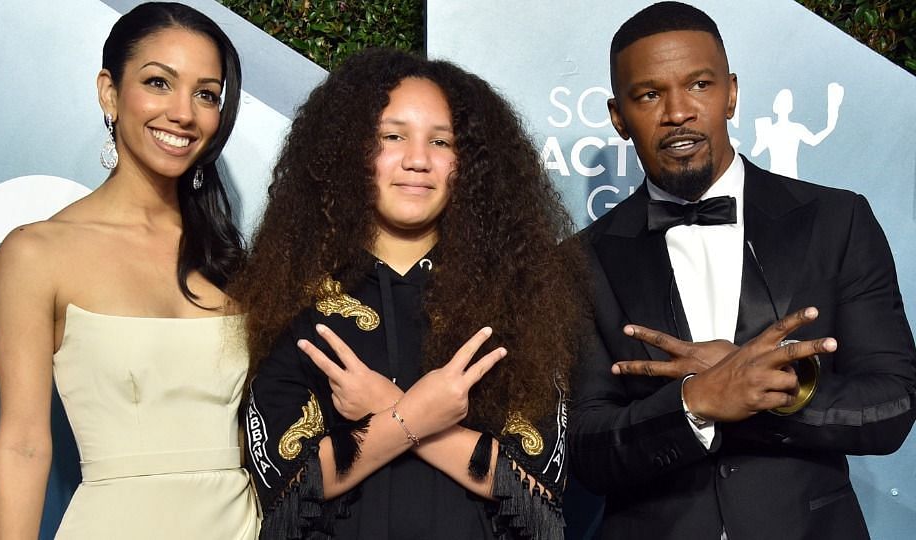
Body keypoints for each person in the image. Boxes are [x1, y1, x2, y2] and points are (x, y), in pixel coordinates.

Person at [567, 3, 916, 540]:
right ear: (618, 116)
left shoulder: (836, 220)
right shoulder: (578, 261)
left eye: (700, 84)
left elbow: (892, 404)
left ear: (731, 93)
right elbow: (587, 447)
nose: (678, 111)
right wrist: (696, 402)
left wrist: (763, 391)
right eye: (649, 94)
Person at [230, 47, 580, 539]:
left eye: (442, 142)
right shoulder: (292, 293)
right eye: (392, 136)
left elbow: (538, 488)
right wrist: (415, 415)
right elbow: (284, 484)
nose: (418, 160)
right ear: (350, 150)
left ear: (472, 163)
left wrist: (387, 406)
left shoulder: (517, 298)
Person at [0, 3, 258, 538]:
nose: (184, 113)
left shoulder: (230, 260)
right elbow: (23, 445)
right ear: (109, 92)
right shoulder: (37, 253)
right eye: (159, 82)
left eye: (206, 94)